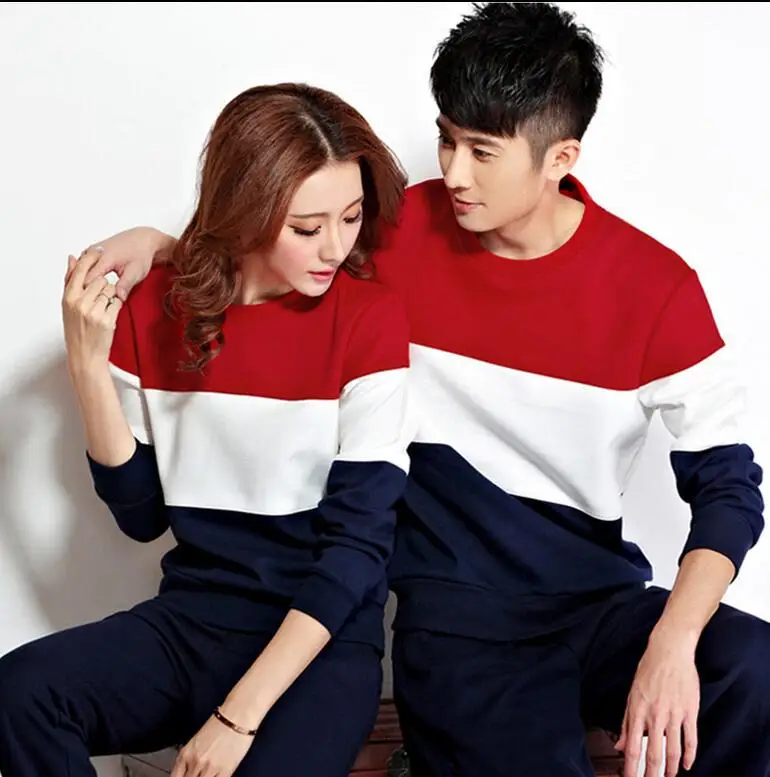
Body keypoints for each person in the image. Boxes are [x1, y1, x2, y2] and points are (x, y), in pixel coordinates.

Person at [64, 3, 770, 777]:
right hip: (459, 624)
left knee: (754, 671)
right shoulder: (396, 233)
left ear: (560, 157)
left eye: (482, 151)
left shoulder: (654, 286)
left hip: (600, 601)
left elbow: (730, 488)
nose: (454, 173)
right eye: (446, 138)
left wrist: (672, 641)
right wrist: (163, 245)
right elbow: (273, 243)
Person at [0, 82, 414, 777]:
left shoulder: (368, 320)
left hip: (318, 644)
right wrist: (87, 366)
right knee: (20, 694)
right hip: (193, 622)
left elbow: (357, 553)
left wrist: (235, 717)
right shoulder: (155, 312)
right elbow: (141, 517)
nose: (335, 247)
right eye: (307, 228)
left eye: (350, 217)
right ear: (248, 211)